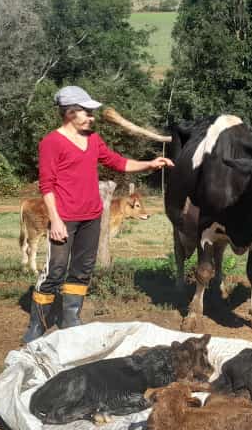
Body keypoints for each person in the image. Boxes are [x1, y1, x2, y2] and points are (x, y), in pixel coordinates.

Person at [23, 86, 173, 343]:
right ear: (70, 113)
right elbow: (46, 185)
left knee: (82, 269)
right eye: (87, 112)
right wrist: (55, 220)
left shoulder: (93, 139)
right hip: (64, 218)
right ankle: (37, 325)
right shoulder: (51, 143)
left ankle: (71, 319)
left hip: (92, 216)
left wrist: (149, 164)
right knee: (55, 271)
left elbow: (118, 162)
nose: (92, 117)